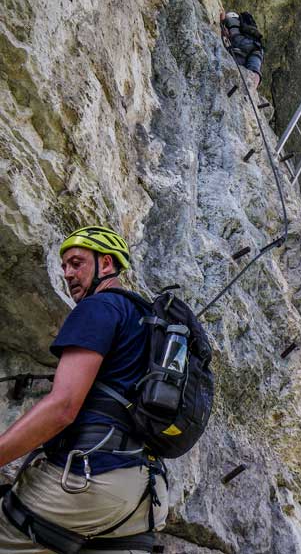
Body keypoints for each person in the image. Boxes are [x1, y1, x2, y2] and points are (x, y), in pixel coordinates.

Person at [0, 226, 168, 554]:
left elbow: (62, 407)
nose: (67, 273)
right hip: (145, 498)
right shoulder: (149, 323)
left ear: (106, 264)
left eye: (76, 262)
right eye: (64, 266)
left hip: (87, 480)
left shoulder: (99, 308)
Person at [220, 10, 264, 89]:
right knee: (255, 70)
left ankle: (241, 89)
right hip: (257, 47)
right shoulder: (245, 25)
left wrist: (223, 15)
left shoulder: (231, 22)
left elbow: (224, 29)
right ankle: (253, 90)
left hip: (241, 44)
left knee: (238, 70)